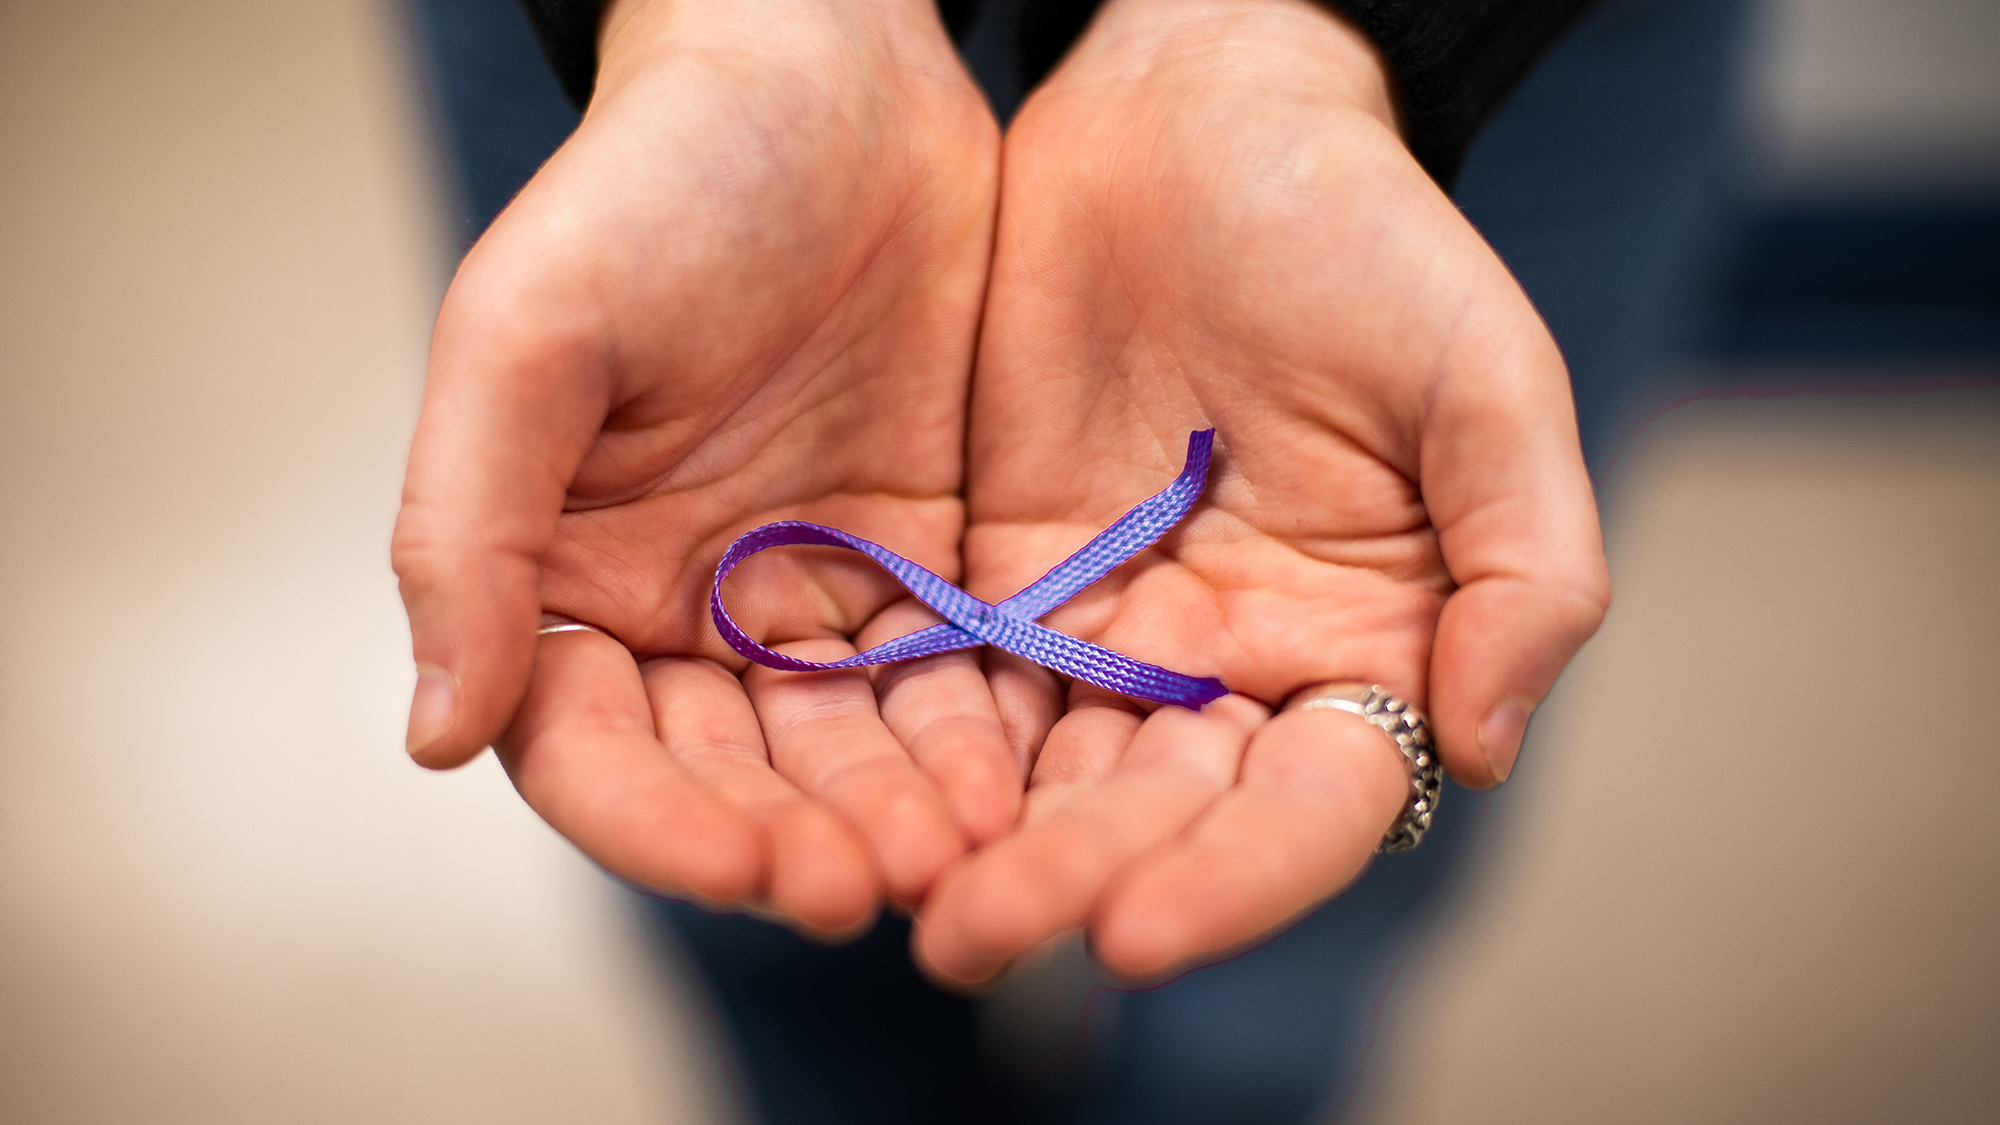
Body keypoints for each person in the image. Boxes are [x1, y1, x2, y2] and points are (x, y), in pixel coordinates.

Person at [393, 0, 1743, 1118]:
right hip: (653, 46)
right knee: (758, 877)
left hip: (1486, 50)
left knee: (1290, 886)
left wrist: (1284, 36)